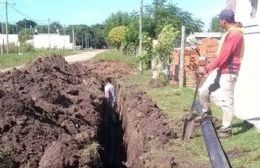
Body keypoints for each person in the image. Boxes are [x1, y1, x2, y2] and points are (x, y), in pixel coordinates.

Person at [198, 9, 244, 138]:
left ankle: (226, 128)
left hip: (228, 71)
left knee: (227, 100)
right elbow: (222, 55)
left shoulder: (235, 34)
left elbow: (225, 55)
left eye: (220, 20)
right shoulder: (229, 33)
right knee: (203, 91)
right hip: (221, 69)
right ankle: (206, 113)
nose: (219, 22)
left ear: (224, 20)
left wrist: (207, 68)